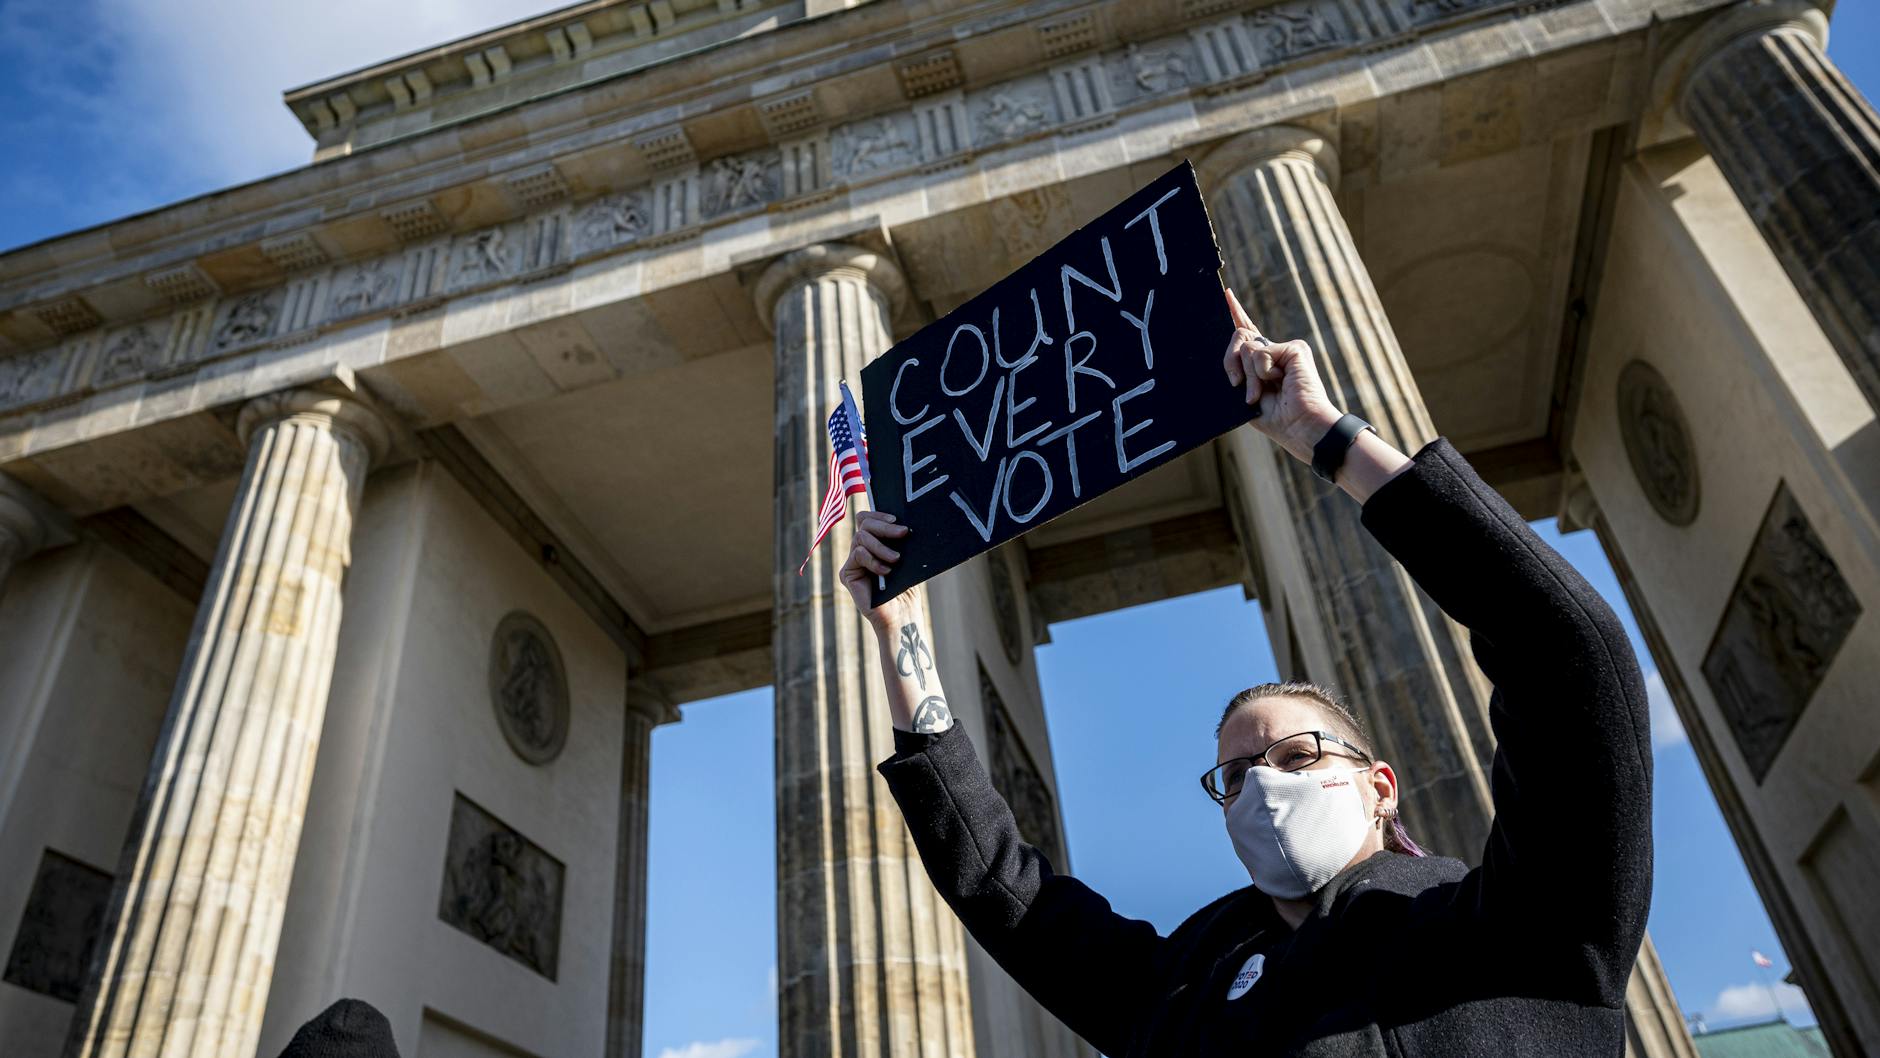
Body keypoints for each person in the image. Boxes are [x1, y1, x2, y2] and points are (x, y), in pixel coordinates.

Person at [843, 287, 1652, 1057]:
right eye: (1233, 777)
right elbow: (999, 884)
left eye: (1296, 757)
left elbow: (1565, 650)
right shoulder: (1179, 989)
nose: (1261, 788)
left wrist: (1322, 436)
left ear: (1380, 786)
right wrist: (901, 635)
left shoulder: (1516, 921)